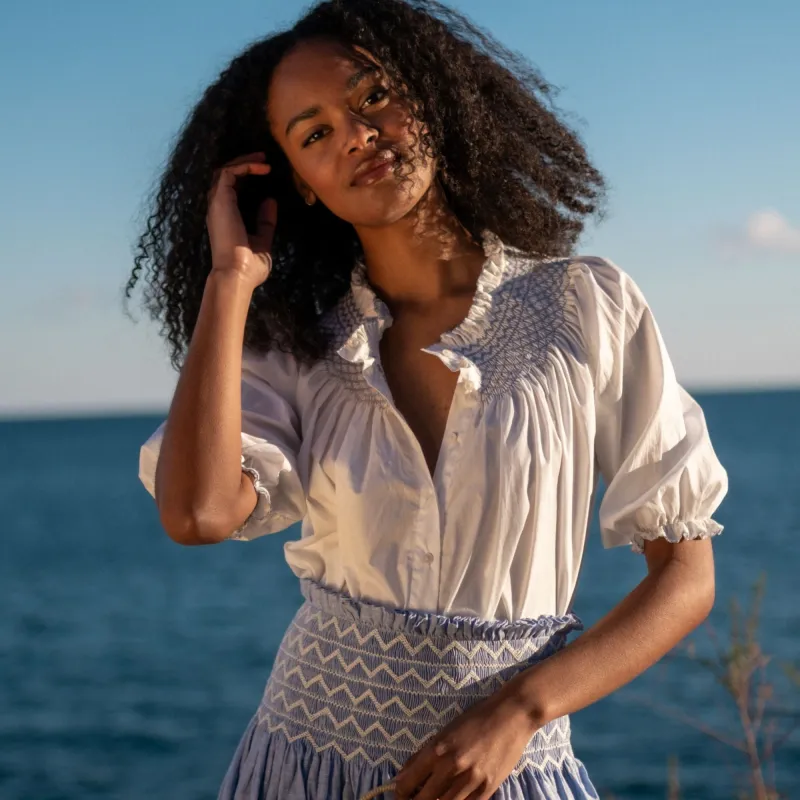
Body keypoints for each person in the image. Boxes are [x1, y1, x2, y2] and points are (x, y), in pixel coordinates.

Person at [128, 1, 729, 798]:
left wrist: (519, 712)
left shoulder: (590, 307)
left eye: (371, 95)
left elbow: (686, 575)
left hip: (510, 767)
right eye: (313, 134)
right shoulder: (298, 346)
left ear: (428, 95)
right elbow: (198, 514)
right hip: (305, 761)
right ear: (299, 185)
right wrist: (230, 281)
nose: (355, 134)